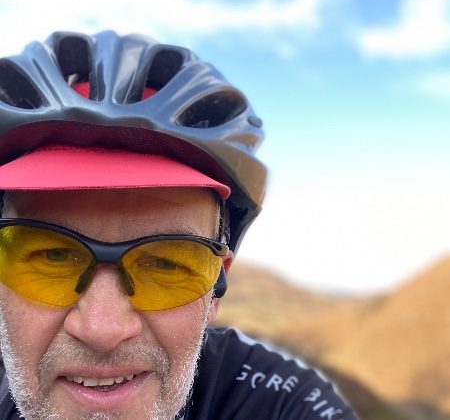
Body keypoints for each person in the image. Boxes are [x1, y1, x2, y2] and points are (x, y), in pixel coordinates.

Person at [0, 31, 359, 420]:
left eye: (166, 264)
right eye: (53, 256)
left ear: (214, 290)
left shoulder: (279, 404)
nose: (103, 330)